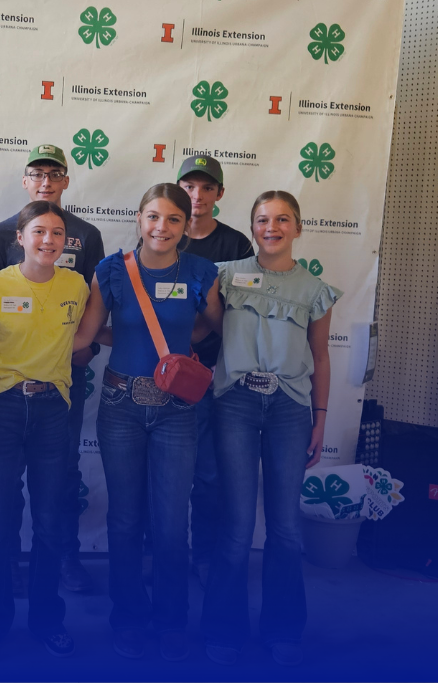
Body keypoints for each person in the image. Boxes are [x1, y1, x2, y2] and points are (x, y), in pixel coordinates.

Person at [73, 183, 222, 662]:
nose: (162, 227)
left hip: (178, 411)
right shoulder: (112, 270)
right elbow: (88, 334)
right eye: (153, 217)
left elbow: (213, 326)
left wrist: (177, 350)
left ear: (186, 225)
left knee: (171, 521)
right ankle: (129, 618)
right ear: (138, 219)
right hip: (120, 405)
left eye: (173, 219)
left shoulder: (201, 271)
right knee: (125, 518)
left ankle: (172, 618)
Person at [201, 191, 341, 668]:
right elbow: (214, 330)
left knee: (284, 529)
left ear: (298, 228)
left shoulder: (315, 289)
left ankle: (283, 628)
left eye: (283, 219)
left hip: (289, 409)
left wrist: (320, 417)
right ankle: (223, 630)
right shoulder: (225, 277)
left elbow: (320, 356)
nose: (272, 227)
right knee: (237, 527)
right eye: (263, 219)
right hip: (236, 404)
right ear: (253, 226)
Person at [0, 143, 105, 594]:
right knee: (4, 488)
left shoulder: (86, 235)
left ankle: (65, 559)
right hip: (7, 388)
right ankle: (6, 563)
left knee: (62, 477)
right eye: (37, 173)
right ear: (26, 180)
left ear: (67, 180)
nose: (46, 181)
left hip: (61, 383)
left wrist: (80, 353)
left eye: (55, 174)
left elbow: (94, 306)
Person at [0, 201, 90, 661]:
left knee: (52, 524)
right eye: (39, 232)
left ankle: (46, 621)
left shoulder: (77, 284)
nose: (48, 240)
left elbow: (84, 336)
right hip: (3, 408)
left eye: (57, 233)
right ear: (20, 237)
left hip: (54, 409)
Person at [176, 154, 253, 587]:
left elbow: (235, 312)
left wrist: (199, 334)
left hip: (215, 376)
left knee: (208, 475)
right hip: (164, 376)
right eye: (189, 186)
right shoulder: (163, 234)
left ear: (220, 194)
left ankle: (204, 556)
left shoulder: (237, 245)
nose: (197, 195)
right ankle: (163, 554)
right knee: (163, 475)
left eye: (207, 188)